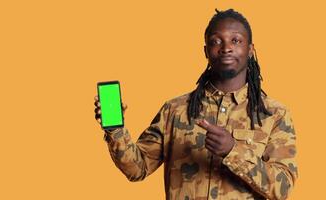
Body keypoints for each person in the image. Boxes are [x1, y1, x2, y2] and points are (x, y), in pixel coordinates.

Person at [94, 8, 297, 200]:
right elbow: (137, 169)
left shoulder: (274, 114)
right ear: (206, 51)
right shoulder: (175, 110)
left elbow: (282, 188)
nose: (226, 48)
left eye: (236, 40)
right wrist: (115, 130)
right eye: (216, 41)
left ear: (250, 50)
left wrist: (233, 150)